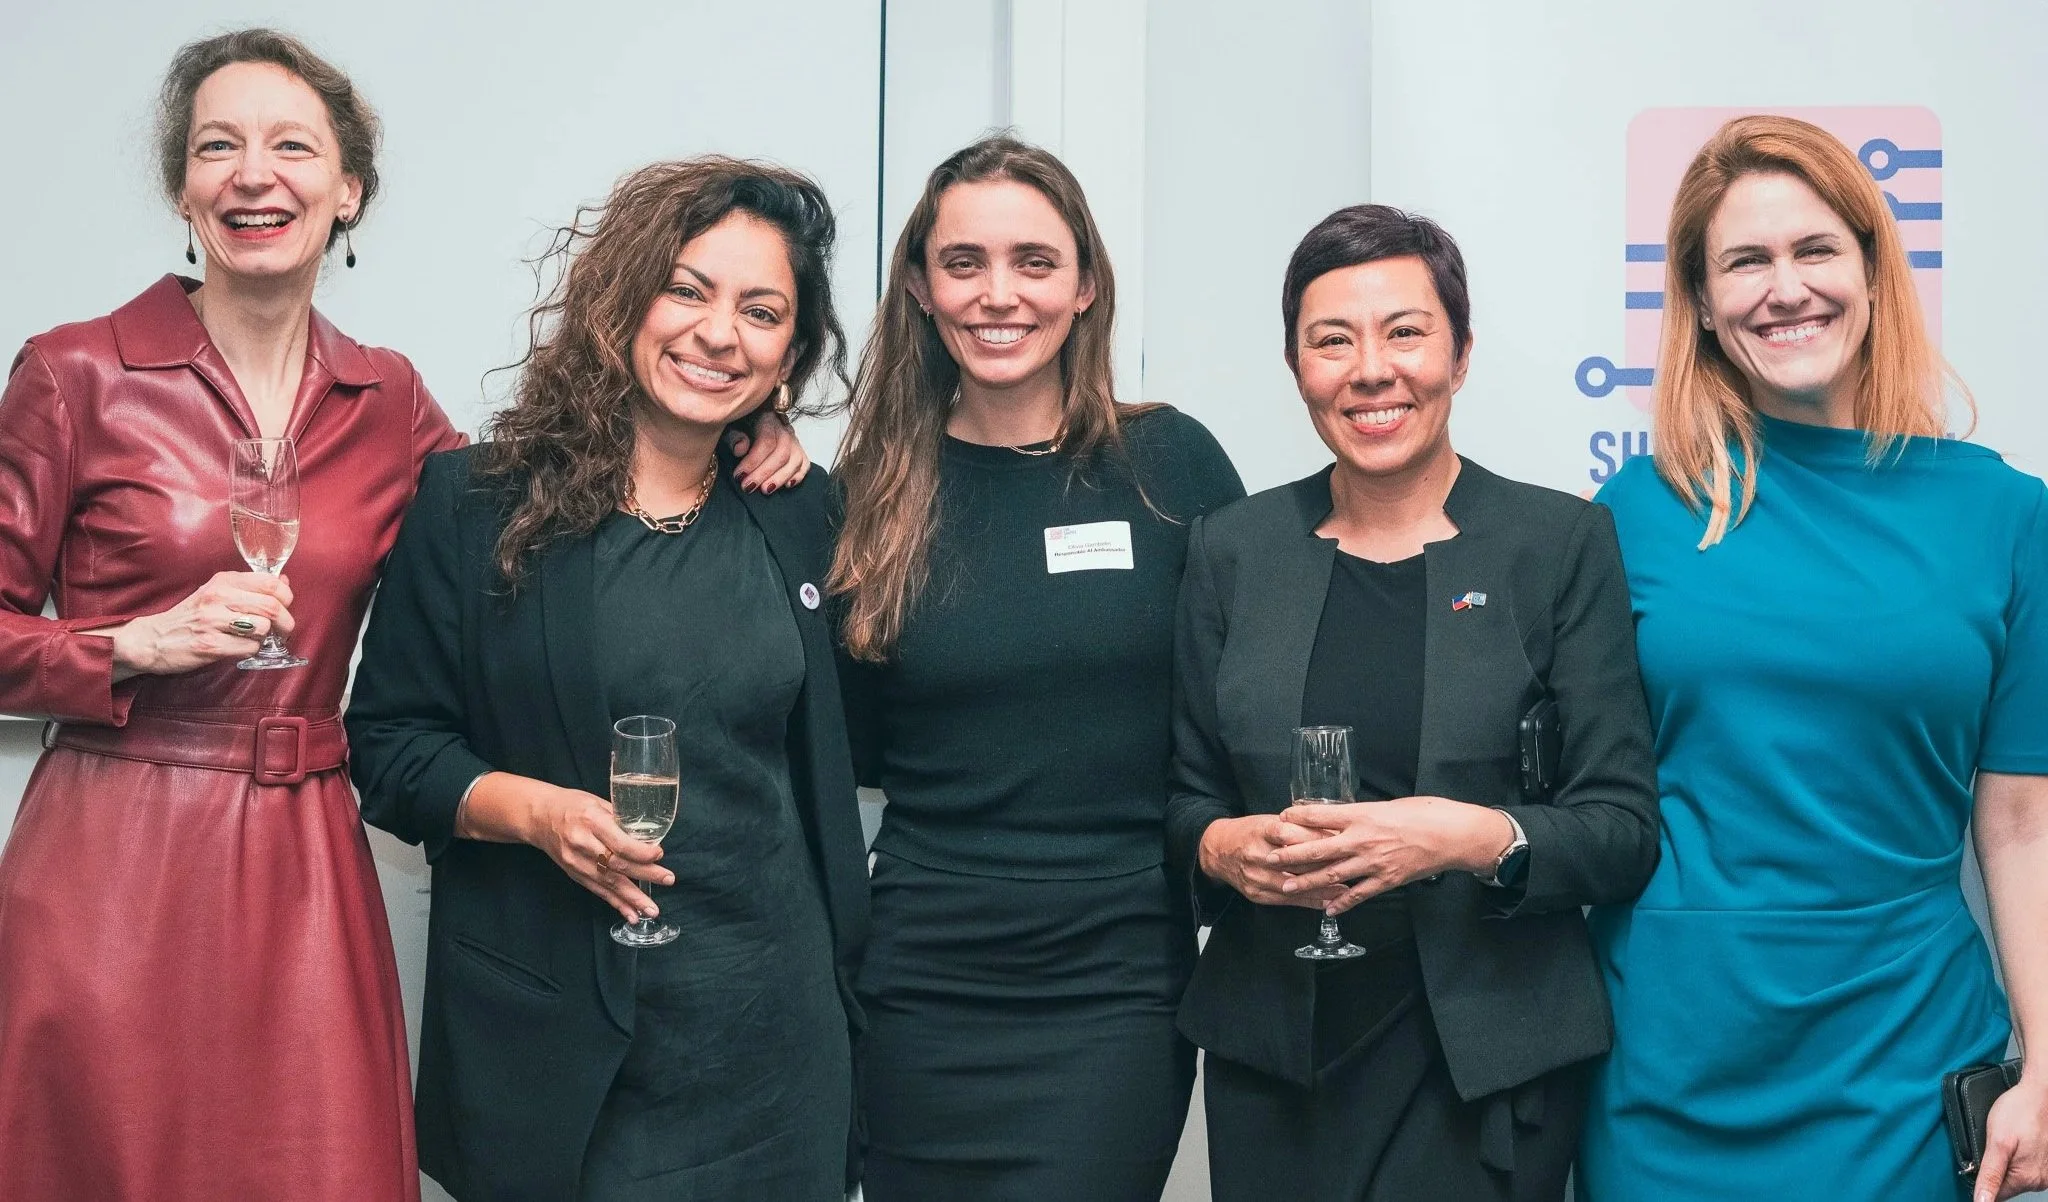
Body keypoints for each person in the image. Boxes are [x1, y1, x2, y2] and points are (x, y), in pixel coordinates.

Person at [344, 156, 868, 1202]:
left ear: (788, 356)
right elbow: (389, 746)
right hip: (561, 1057)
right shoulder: (475, 502)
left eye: (761, 312)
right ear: (622, 297)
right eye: (687, 288)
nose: (719, 333)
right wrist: (532, 812)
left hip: (777, 1048)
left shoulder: (806, 512)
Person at [0, 30, 455, 1201]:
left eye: (290, 145)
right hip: (111, 863)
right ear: (183, 189)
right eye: (219, 146)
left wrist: (729, 434)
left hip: (306, 856)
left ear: (347, 188)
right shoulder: (74, 372)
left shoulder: (390, 396)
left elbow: (532, 533)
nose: (254, 174)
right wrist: (121, 644)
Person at [1579, 114, 2048, 1202]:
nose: (1783, 288)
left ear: (1875, 275)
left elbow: (2020, 819)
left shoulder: (2006, 514)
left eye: (1814, 250)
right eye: (1744, 260)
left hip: (1902, 1054)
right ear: (1698, 302)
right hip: (1667, 1059)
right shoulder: (1629, 513)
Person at [1166, 204, 1661, 1202]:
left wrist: (1465, 836)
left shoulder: (1555, 545)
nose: (1369, 369)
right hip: (1278, 1058)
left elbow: (1619, 830)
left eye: (1403, 332)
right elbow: (1183, 799)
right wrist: (1224, 849)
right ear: (1295, 365)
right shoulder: (1232, 549)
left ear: (1459, 351)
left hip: (1486, 1057)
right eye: (1330, 340)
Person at [829, 134, 1245, 1201]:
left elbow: (1239, 696)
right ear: (920, 287)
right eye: (962, 262)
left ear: (1085, 284)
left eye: (1033, 261)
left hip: (1117, 977)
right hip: (922, 975)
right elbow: (850, 739)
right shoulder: (870, 490)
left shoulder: (1170, 466)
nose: (996, 293)